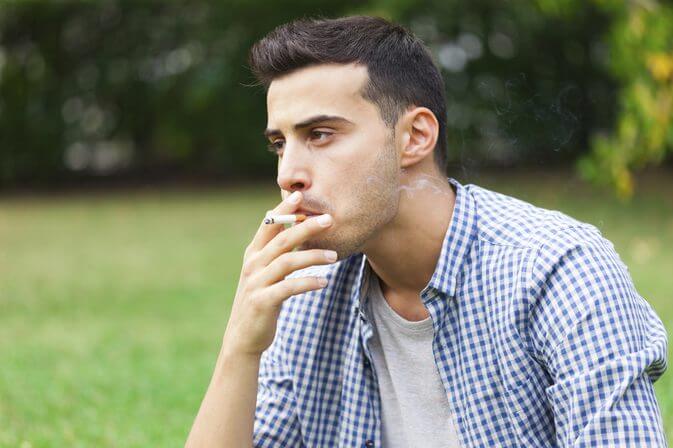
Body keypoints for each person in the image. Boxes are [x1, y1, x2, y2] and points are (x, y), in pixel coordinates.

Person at [186, 16, 668, 447]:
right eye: (279, 143)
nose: (288, 173)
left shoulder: (558, 271)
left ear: (415, 137)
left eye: (320, 135)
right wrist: (240, 347)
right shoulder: (306, 291)